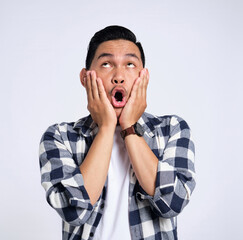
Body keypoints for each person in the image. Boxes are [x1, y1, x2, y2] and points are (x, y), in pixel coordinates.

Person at [39, 25, 196, 240]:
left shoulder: (172, 130)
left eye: (130, 64)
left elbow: (171, 204)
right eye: (106, 64)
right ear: (85, 78)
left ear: (144, 76)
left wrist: (129, 125)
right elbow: (74, 211)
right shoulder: (60, 136)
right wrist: (105, 128)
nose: (119, 76)